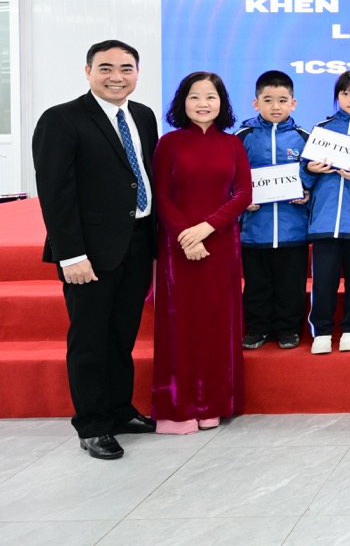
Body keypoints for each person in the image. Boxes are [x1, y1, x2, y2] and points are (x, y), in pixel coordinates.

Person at [32, 40, 159, 459]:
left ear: (137, 73)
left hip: (137, 242)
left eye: (126, 68)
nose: (116, 77)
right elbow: (55, 193)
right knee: (89, 339)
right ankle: (92, 425)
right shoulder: (61, 119)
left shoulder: (143, 116)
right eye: (106, 68)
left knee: (121, 335)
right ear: (87, 71)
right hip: (88, 252)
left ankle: (120, 411)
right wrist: (70, 254)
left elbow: (142, 175)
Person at [151, 72, 253, 434]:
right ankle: (178, 407)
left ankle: (214, 402)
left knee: (217, 322)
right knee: (180, 323)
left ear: (222, 102)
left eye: (211, 96)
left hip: (221, 243)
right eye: (195, 96)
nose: (203, 103)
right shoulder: (169, 143)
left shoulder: (232, 144)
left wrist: (207, 228)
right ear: (183, 102)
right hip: (177, 245)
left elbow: (243, 194)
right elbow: (160, 196)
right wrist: (185, 236)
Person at [235, 70, 312, 351]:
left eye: (282, 100)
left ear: (293, 103)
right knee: (257, 284)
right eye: (268, 100)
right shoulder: (242, 137)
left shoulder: (305, 138)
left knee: (291, 285)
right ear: (256, 103)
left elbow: (314, 177)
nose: (275, 106)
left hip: (294, 229)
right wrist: (241, 201)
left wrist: (307, 192)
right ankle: (258, 329)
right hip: (255, 229)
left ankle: (288, 329)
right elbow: (230, 178)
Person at [306, 69, 350, 355]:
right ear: (337, 96)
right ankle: (321, 330)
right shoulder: (322, 129)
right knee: (323, 281)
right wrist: (310, 169)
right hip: (324, 221)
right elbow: (303, 175)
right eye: (345, 93)